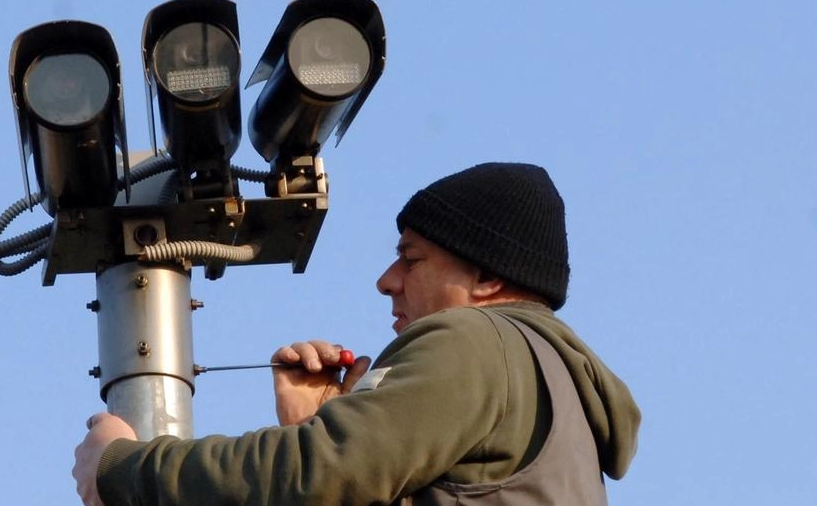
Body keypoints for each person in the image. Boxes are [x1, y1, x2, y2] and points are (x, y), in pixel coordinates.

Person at [74, 162, 641, 506]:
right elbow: (332, 480)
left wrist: (123, 470)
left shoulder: (475, 340)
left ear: (488, 278)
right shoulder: (554, 390)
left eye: (411, 261)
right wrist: (321, 427)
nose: (385, 281)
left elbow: (317, 475)